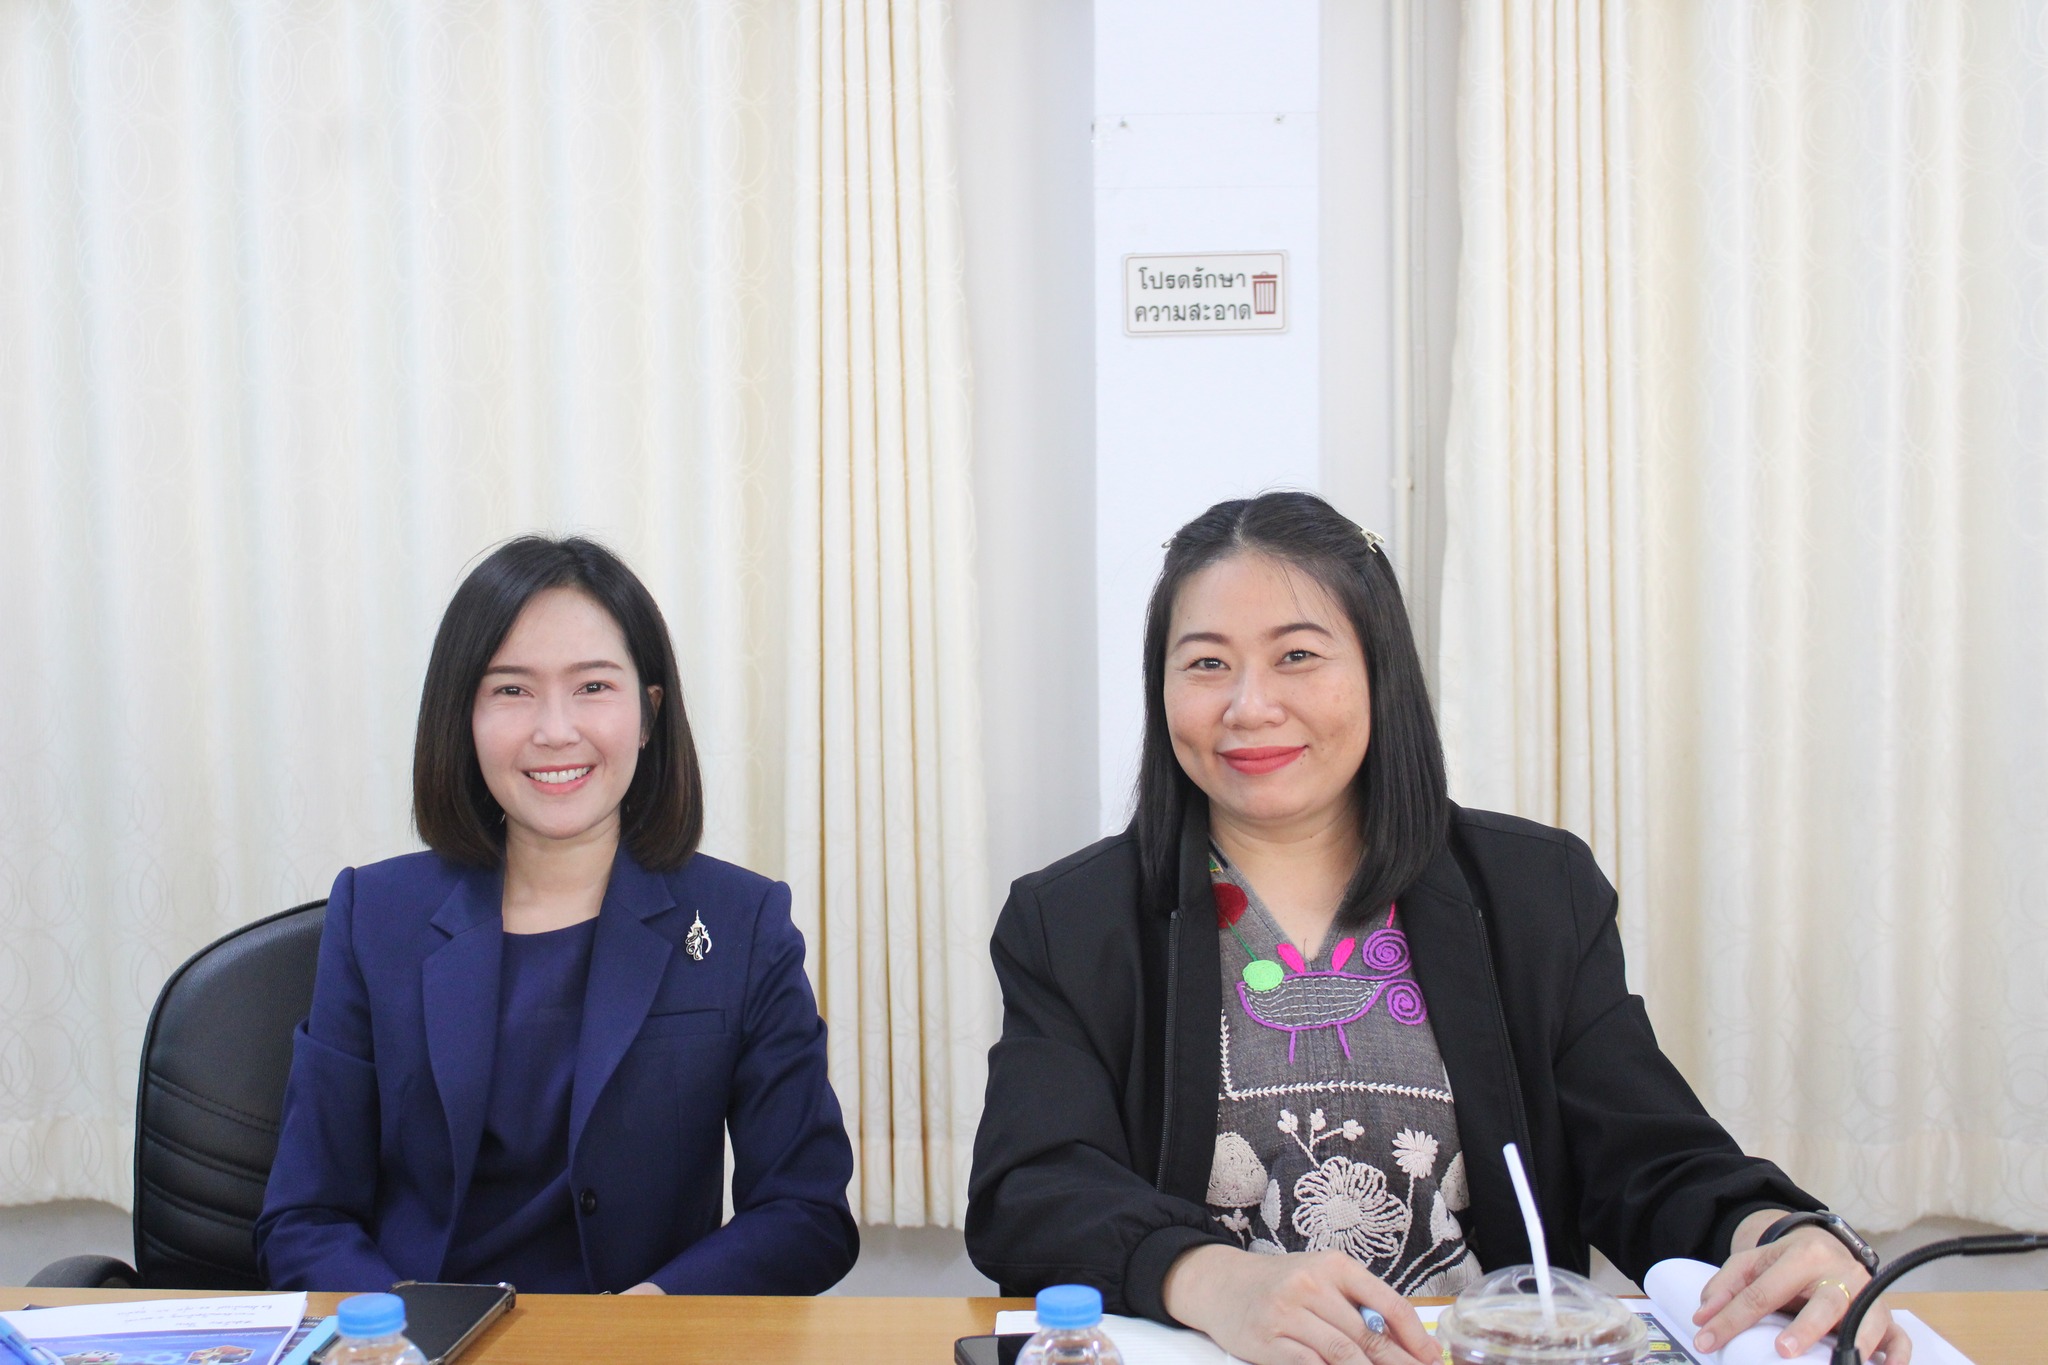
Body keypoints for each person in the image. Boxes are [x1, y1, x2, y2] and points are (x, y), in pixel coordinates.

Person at [966, 493, 1905, 1365]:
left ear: (1382, 671)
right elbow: (1031, 1189)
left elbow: (1650, 1157)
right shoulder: (1073, 919)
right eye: (1206, 663)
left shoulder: (1536, 892)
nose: (1249, 705)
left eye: (1297, 655)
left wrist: (1774, 1234)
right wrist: (1210, 1277)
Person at [258, 536, 857, 1294]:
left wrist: (649, 1318)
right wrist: (402, 1335)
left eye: (593, 686)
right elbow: (305, 1217)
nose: (555, 730)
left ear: (648, 713)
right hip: (420, 1339)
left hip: (641, 1339)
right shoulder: (374, 916)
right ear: (464, 717)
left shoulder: (743, 922)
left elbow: (805, 1212)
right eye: (512, 690)